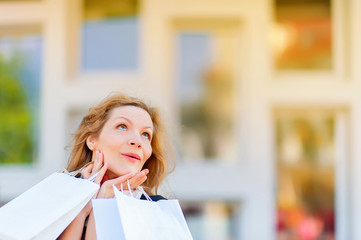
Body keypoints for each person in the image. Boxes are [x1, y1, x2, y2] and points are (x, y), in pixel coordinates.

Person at [58, 93, 174, 239]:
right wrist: (82, 209)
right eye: (122, 126)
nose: (137, 141)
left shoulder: (157, 212)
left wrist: (102, 205)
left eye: (145, 134)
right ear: (92, 140)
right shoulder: (59, 198)